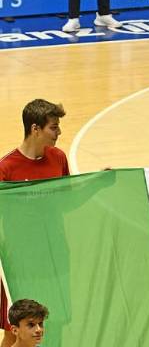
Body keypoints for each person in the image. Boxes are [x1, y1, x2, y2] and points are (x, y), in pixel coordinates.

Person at [0, 100, 68, 347]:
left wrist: (96, 185)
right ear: (35, 129)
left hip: (55, 254)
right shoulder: (6, 168)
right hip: (20, 261)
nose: (59, 132)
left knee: (54, 321)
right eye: (54, 127)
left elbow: (67, 199)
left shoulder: (58, 158)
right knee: (15, 330)